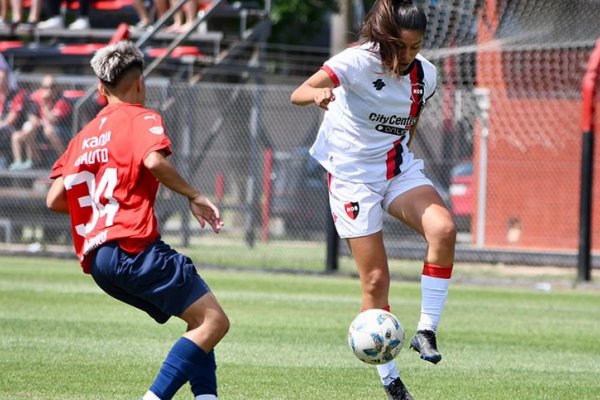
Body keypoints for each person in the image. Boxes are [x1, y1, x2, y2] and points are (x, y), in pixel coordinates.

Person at [290, 1, 456, 399]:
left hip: (396, 170)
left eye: (416, 48)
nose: (408, 56)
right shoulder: (355, 61)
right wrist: (319, 94)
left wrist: (403, 167)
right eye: (401, 47)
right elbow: (299, 91)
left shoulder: (425, 76)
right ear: (385, 39)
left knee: (444, 229)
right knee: (376, 281)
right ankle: (392, 382)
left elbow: (410, 122)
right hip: (351, 179)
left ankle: (426, 331)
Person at [46, 41, 229, 400]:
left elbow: (54, 198)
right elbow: (153, 162)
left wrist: (101, 209)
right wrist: (194, 195)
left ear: (100, 89)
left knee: (200, 320)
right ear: (140, 83)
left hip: (100, 261)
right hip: (132, 246)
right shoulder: (142, 117)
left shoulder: (82, 137)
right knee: (214, 322)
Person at [9, 74, 72, 170]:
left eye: (52, 87)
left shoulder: (62, 100)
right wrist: (35, 121)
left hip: (63, 131)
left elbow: (53, 120)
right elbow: (33, 117)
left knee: (49, 130)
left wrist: (44, 104)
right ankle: (29, 161)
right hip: (41, 130)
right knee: (18, 134)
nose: (49, 90)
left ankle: (64, 161)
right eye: (46, 87)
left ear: (57, 88)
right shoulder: (37, 99)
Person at [0, 57, 28, 168]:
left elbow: (12, 119)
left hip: (13, 128)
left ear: (7, 79)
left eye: (2, 79)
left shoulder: (16, 94)